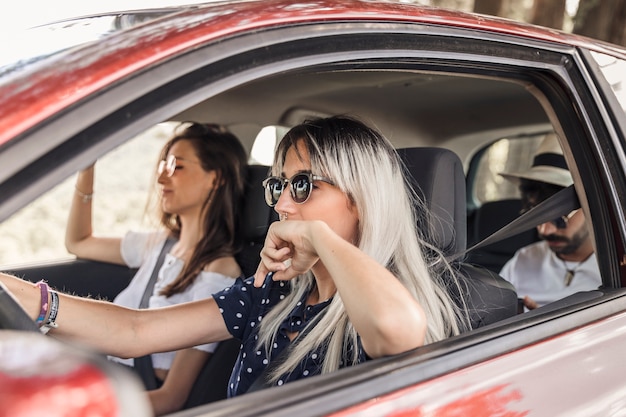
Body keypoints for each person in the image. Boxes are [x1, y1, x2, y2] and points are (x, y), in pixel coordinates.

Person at [0, 115, 468, 399]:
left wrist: (319, 238)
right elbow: (135, 331)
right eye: (279, 186)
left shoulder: (386, 305)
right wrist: (29, 298)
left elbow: (397, 330)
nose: (283, 205)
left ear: (361, 200)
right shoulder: (272, 294)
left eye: (303, 186)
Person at [64, 122, 248, 415]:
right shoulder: (157, 245)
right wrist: (87, 168)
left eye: (177, 166)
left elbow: (171, 397)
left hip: (130, 396)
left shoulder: (219, 274)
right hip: (100, 373)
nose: (161, 176)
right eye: (164, 163)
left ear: (215, 179)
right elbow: (79, 242)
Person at [499, 133, 601, 311]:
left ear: (591, 206)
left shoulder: (616, 270)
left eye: (560, 217)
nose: (544, 230)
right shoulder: (522, 261)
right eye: (536, 215)